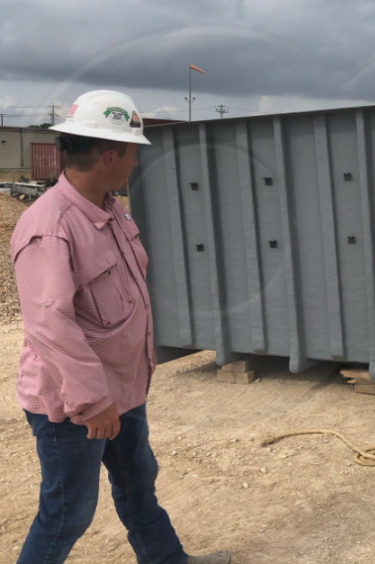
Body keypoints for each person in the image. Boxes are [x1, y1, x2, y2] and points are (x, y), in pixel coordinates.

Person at [10, 90, 230, 564]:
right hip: (76, 405)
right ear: (110, 155)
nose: (134, 161)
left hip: (123, 390)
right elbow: (50, 324)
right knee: (67, 513)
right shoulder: (50, 227)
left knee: (138, 488)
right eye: (132, 151)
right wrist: (93, 404)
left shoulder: (111, 209)